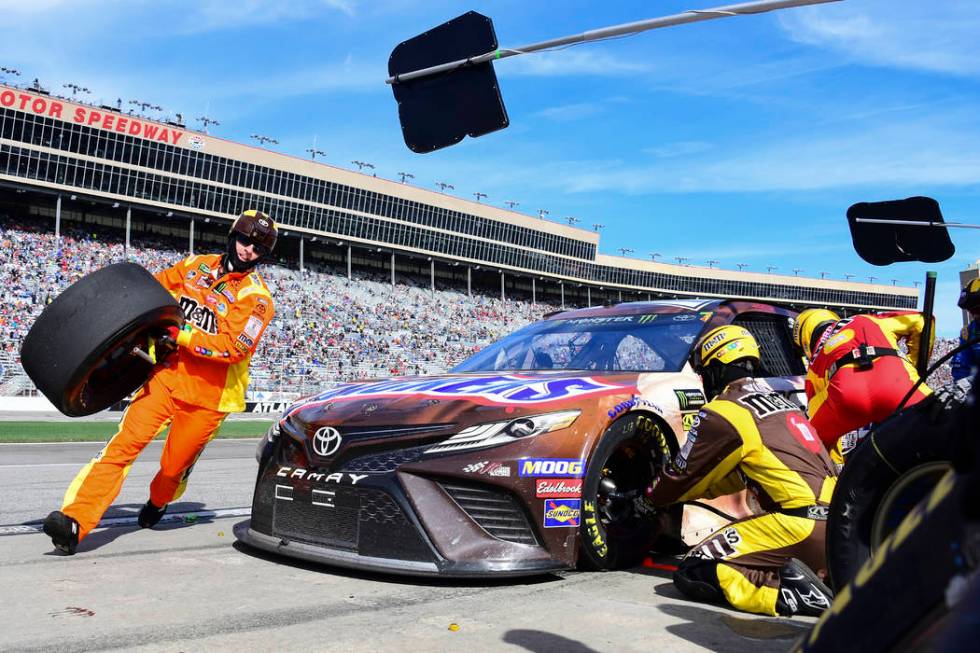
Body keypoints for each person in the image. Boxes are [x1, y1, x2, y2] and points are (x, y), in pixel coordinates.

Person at [43, 210, 278, 554]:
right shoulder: (195, 265)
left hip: (210, 398)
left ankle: (161, 498)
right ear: (232, 236)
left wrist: (179, 334)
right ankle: (74, 522)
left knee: (171, 470)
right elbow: (151, 291)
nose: (247, 251)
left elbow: (232, 348)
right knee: (122, 448)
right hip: (165, 376)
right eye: (244, 241)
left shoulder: (258, 300)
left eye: (257, 249)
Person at [647, 325, 837, 617]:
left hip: (797, 524)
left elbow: (681, 476)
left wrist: (649, 497)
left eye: (704, 371)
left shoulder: (725, 410)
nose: (703, 378)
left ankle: (786, 594)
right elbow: (740, 477)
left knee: (695, 567)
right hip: (836, 526)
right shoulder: (786, 404)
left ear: (717, 367)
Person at [793, 307, 932, 449]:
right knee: (943, 420)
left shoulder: (814, 366)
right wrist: (912, 367)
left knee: (809, 438)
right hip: (897, 383)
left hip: (846, 396)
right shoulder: (865, 319)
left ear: (805, 339)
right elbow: (921, 321)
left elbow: (816, 410)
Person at [951, 279, 980, 382]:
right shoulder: (968, 332)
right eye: (971, 310)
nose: (975, 315)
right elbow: (962, 369)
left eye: (978, 310)